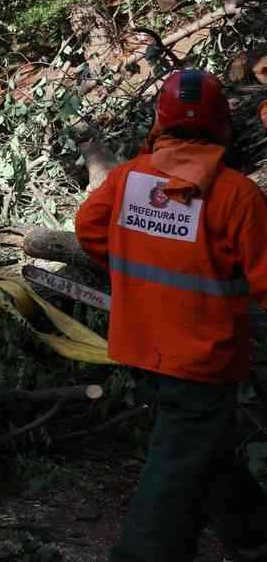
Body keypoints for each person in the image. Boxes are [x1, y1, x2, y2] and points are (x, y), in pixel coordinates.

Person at [75, 69, 267, 562]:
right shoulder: (238, 196)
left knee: (206, 448)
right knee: (175, 468)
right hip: (203, 359)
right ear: (221, 123)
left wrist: (137, 269)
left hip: (141, 347)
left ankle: (253, 533)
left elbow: (89, 230)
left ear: (158, 122)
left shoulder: (125, 179)